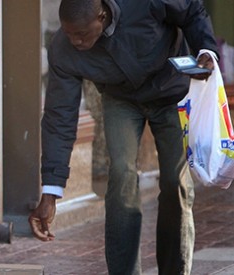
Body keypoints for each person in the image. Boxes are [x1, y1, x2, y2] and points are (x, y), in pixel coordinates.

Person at [28, 0, 218, 274]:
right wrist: (51, 191)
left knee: (174, 182)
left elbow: (191, 10)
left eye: (82, 34)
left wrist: (207, 50)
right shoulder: (64, 48)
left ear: (101, 16)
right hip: (121, 100)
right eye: (69, 34)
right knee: (121, 173)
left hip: (171, 92)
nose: (76, 42)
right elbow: (59, 119)